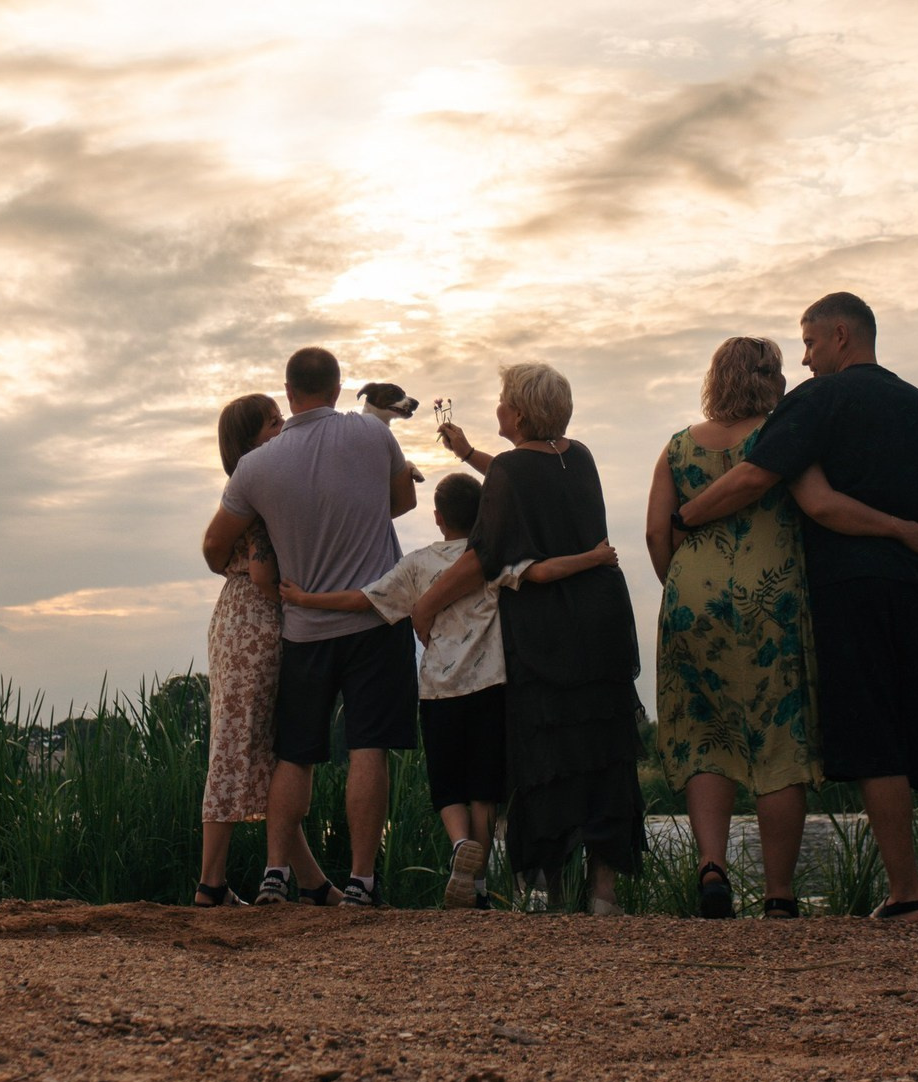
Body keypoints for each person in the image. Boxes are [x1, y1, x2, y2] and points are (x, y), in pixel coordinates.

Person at [675, 294, 918, 929]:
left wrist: (687, 515)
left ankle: (907, 896)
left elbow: (760, 479)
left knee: (878, 743)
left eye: (810, 344)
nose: (806, 360)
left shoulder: (819, 401)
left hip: (849, 587)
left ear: (841, 336)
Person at [278, 470, 619, 909]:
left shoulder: (418, 564)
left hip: (439, 691)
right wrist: (593, 556)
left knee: (448, 787)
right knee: (482, 788)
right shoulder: (491, 557)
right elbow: (542, 573)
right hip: (490, 686)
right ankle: (476, 888)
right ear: (481, 516)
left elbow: (364, 599)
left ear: (438, 518)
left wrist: (306, 600)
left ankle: (459, 845)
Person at [201, 346, 418, 908]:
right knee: (368, 746)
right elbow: (404, 499)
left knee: (295, 753)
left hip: (300, 628)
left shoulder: (256, 468)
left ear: (289, 392)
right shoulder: (374, 437)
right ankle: (362, 881)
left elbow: (212, 545)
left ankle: (275, 874)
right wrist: (356, 512)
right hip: (372, 619)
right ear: (339, 387)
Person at [430, 363, 645, 915]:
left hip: (547, 628)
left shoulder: (510, 472)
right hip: (601, 619)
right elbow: (524, 481)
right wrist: (469, 454)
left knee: (547, 753)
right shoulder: (582, 456)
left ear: (519, 412)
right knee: (601, 751)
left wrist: (427, 600)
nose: (498, 408)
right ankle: (602, 893)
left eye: (502, 401)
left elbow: (486, 552)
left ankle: (555, 893)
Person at [194, 394, 325, 908]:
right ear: (250, 440)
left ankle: (310, 880)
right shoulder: (259, 492)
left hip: (233, 620)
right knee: (238, 748)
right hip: (257, 623)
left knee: (257, 752)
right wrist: (293, 600)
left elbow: (215, 554)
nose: (284, 426)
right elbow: (265, 570)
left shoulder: (246, 487)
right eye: (273, 423)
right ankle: (211, 883)